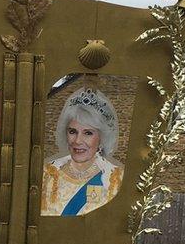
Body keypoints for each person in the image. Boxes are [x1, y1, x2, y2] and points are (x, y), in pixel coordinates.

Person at [41, 87, 123, 216]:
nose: (78, 141)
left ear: (102, 138)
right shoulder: (47, 175)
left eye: (88, 133)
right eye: (72, 131)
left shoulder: (116, 180)